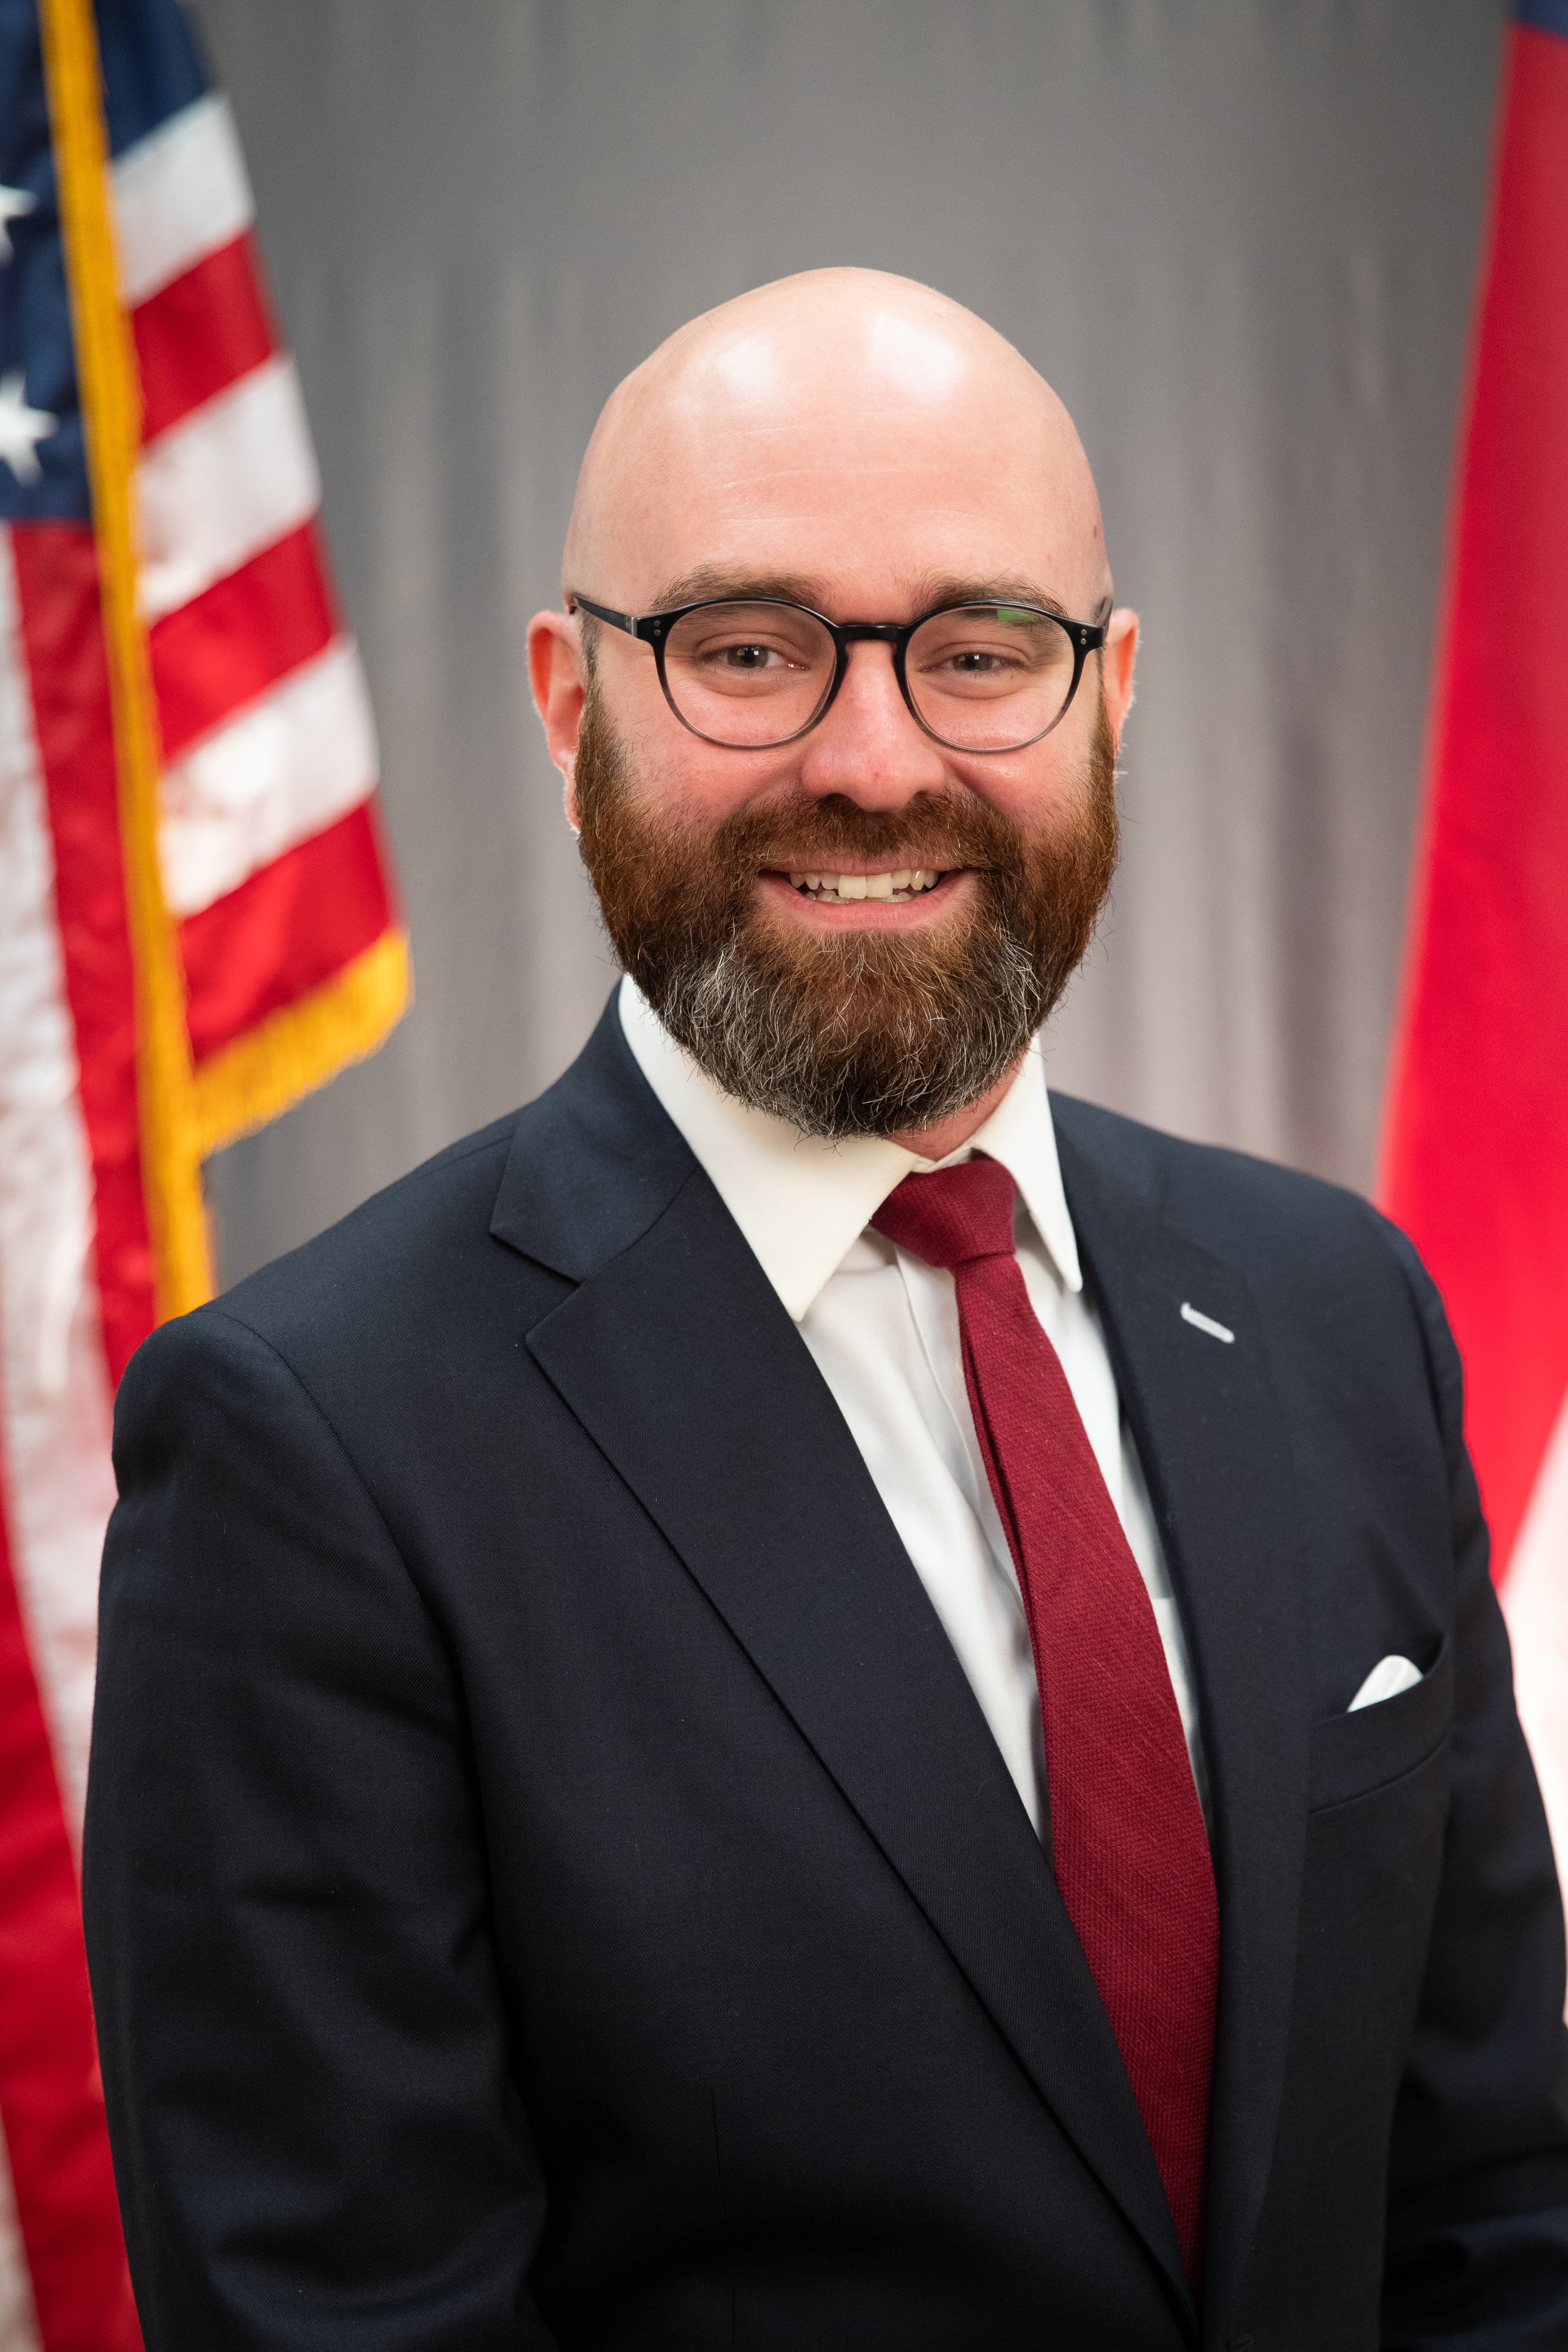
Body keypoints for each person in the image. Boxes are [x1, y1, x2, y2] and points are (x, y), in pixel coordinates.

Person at [85, 269, 1568, 2351]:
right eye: (748, 647)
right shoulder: (307, 1450)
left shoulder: (1339, 1314)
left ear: (1110, 692)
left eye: (979, 650)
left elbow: (1493, 2206)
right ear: (566, 697)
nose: (872, 762)